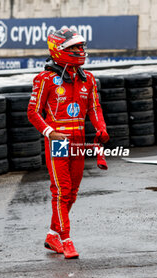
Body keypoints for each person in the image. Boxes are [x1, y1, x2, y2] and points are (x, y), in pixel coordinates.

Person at [27, 28, 109, 259]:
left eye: (80, 46)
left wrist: (101, 128)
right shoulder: (45, 79)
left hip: (80, 141)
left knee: (72, 192)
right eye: (73, 47)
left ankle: (53, 235)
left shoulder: (88, 79)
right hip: (58, 142)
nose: (79, 50)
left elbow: (94, 108)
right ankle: (66, 239)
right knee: (61, 190)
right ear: (58, 49)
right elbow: (32, 112)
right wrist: (50, 132)